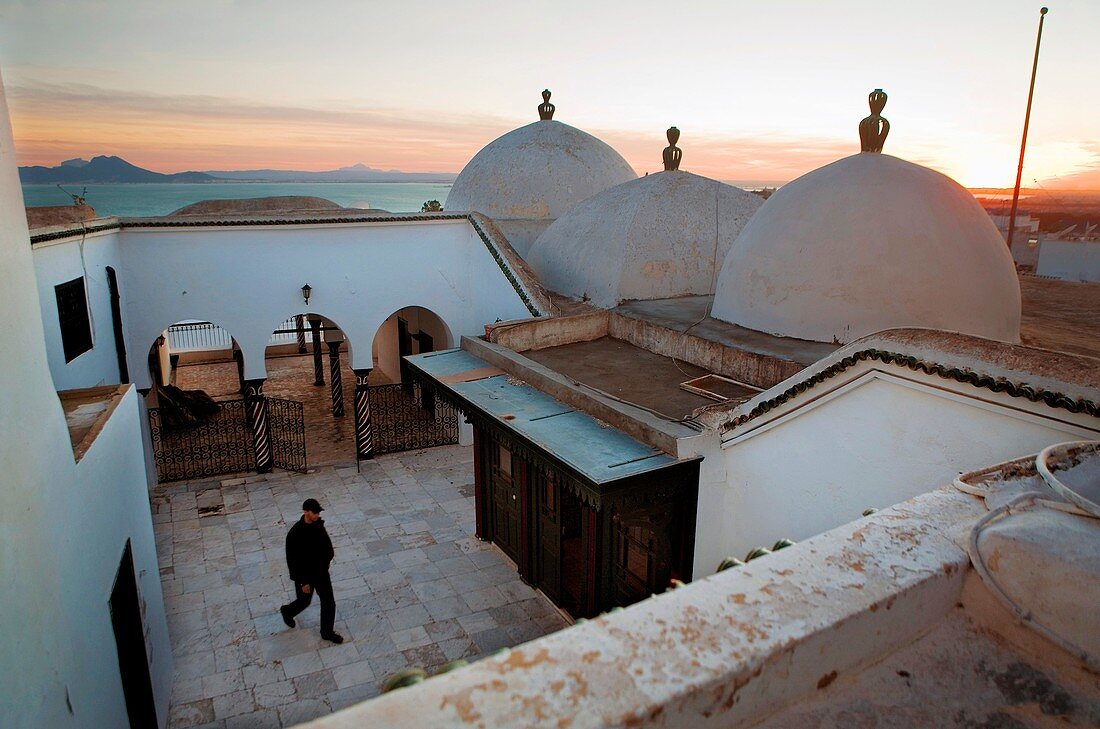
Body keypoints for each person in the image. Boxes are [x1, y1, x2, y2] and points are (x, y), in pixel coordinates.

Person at [279, 498, 343, 643]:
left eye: (318, 512)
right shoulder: (295, 534)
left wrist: (326, 562)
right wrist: (303, 582)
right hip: (305, 577)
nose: (317, 515)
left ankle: (327, 632)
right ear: (306, 512)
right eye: (315, 513)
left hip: (321, 573)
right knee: (304, 601)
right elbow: (293, 562)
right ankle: (287, 611)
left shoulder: (318, 526)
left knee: (329, 602)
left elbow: (328, 548)